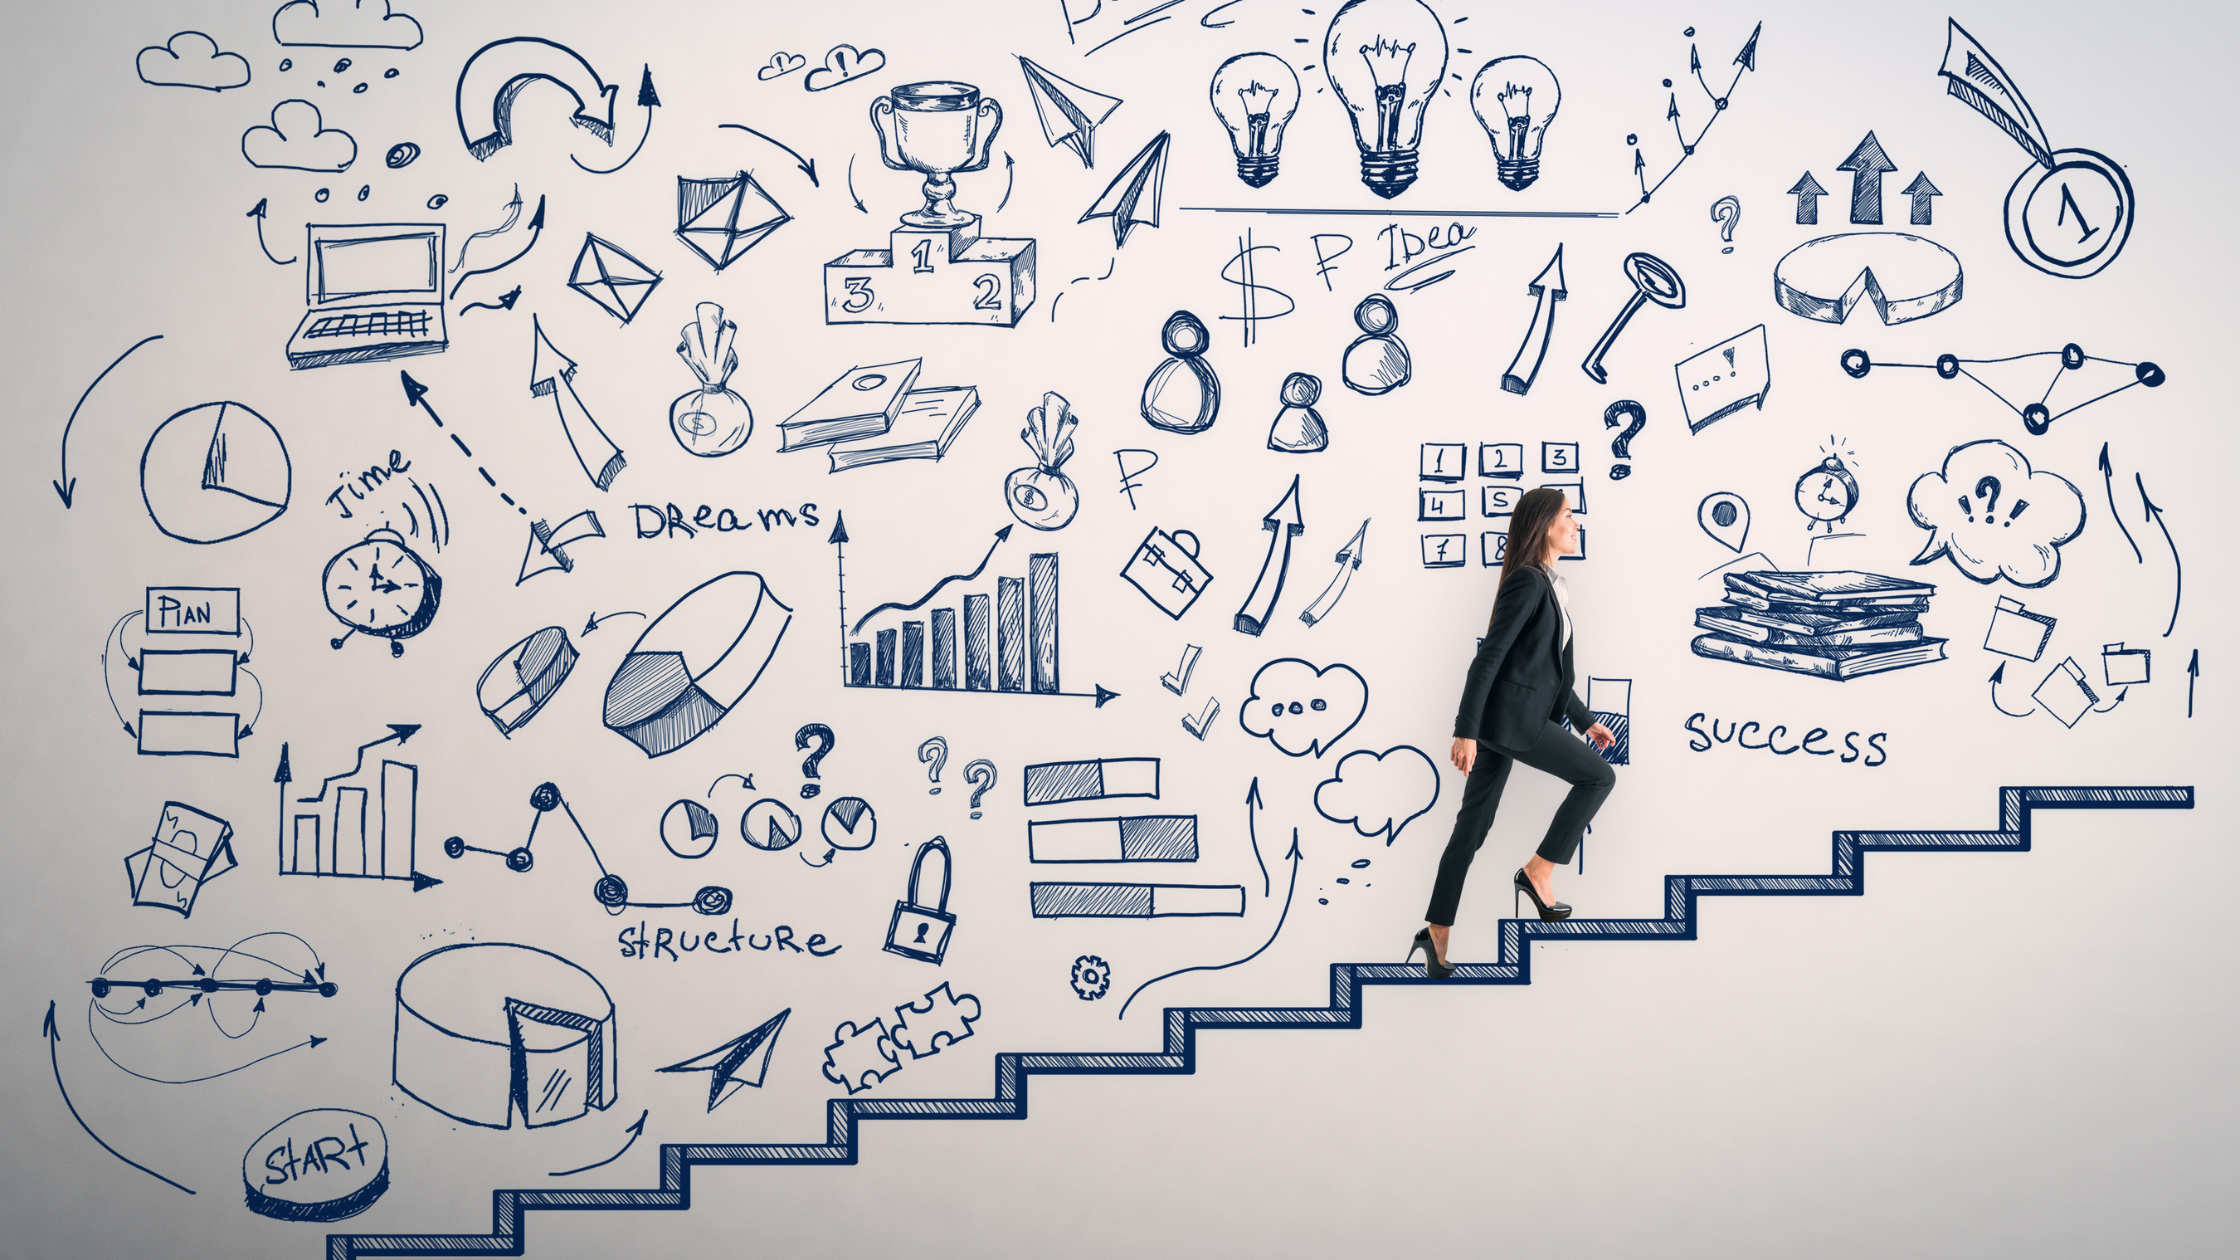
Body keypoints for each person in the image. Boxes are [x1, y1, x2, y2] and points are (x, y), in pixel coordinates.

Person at [1408, 487, 1615, 979]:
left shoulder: (1553, 585)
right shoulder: (1527, 582)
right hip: (1509, 723)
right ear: (1544, 523)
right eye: (1568, 515)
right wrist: (1466, 730)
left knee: (1471, 830)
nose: (1576, 522)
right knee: (1598, 779)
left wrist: (1586, 721)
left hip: (1509, 723)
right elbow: (1490, 658)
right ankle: (1537, 872)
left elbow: (1556, 675)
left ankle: (1436, 932)